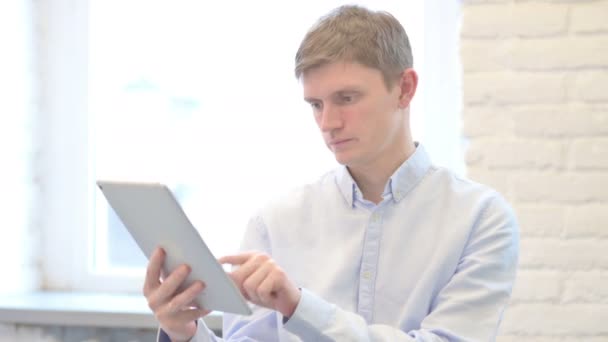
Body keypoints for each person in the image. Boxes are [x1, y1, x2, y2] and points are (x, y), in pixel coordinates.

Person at [145, 4, 519, 342]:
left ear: (404, 89)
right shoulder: (274, 221)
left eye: (347, 98)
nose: (329, 122)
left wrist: (299, 308)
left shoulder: (481, 220)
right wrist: (186, 333)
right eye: (316, 104)